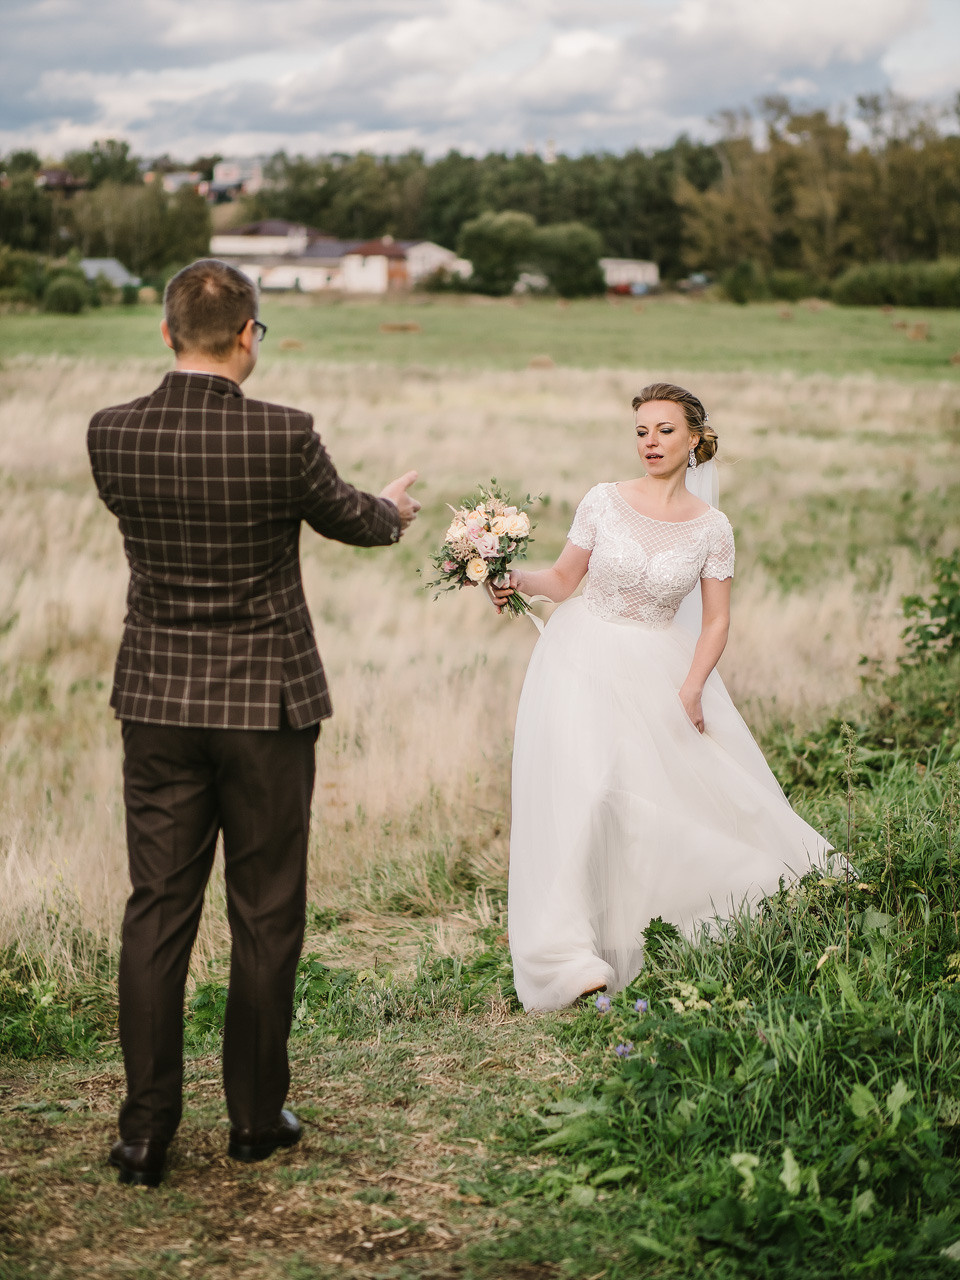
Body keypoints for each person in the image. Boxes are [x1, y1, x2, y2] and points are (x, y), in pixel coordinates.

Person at [88, 259, 420, 1186]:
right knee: (266, 911)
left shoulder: (111, 432)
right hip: (266, 708)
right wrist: (395, 511)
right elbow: (352, 519)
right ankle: (254, 1117)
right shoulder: (284, 433)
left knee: (157, 911)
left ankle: (144, 1134)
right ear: (247, 335)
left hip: (157, 702)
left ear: (166, 333)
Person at [491, 382, 830, 1013]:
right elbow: (562, 580)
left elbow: (717, 620)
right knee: (584, 791)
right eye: (642, 431)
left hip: (659, 667)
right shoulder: (603, 500)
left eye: (665, 430)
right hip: (581, 657)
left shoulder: (712, 528)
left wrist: (693, 688)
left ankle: (655, 921)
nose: (650, 442)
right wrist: (513, 577)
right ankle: (567, 958)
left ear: (694, 438)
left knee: (658, 799)